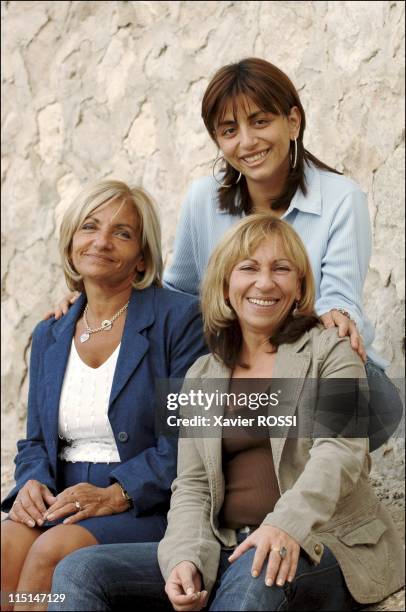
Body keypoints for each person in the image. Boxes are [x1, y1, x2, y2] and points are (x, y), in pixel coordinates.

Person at [49, 215, 404, 611]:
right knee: (79, 570)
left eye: (281, 269)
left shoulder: (330, 352)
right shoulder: (201, 373)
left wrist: (282, 525)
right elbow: (192, 484)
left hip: (320, 541)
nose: (265, 283)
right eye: (248, 268)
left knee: (257, 570)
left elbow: (339, 452)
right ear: (225, 284)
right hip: (226, 547)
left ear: (300, 285)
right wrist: (184, 556)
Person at [50, 58, 402, 450]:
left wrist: (337, 318)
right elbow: (178, 296)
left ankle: (307, 478)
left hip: (309, 363)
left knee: (350, 372)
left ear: (293, 122)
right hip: (235, 369)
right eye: (229, 130)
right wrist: (95, 300)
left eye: (260, 121)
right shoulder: (203, 199)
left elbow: (338, 299)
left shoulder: (341, 199)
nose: (247, 142)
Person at [1, 180, 206, 611]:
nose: (101, 241)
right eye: (89, 227)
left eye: (122, 233)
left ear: (142, 256)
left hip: (145, 503)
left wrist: (115, 493)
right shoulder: (50, 333)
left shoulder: (179, 320)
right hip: (61, 497)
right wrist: (31, 482)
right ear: (72, 240)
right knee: (3, 547)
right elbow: (36, 441)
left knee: (50, 553)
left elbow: (186, 444)